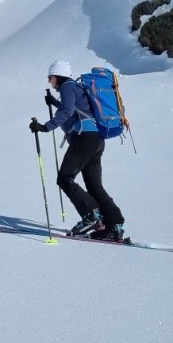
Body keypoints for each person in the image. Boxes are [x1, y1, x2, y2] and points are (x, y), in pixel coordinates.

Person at [28, 60, 126, 242]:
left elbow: (66, 112)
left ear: (57, 76)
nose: (50, 82)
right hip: (97, 139)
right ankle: (114, 225)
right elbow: (76, 109)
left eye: (50, 78)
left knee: (64, 178)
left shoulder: (67, 87)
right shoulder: (75, 88)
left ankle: (91, 217)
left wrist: (44, 127)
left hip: (85, 138)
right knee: (94, 186)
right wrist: (55, 103)